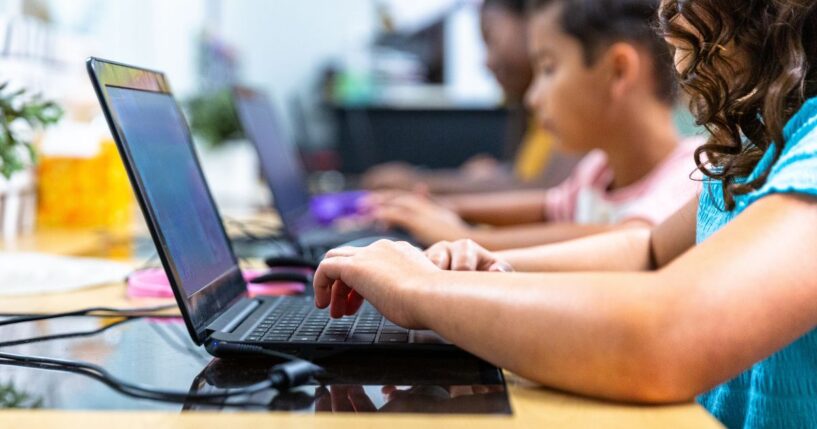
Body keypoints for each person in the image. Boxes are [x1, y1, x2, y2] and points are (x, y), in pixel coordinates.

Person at [313, 0, 817, 427]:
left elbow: (666, 337)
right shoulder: (763, 141)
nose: (669, 12)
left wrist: (420, 292)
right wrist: (483, 272)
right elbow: (646, 250)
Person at [367, 0, 701, 250]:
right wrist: (444, 207)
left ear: (618, 71)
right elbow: (549, 207)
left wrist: (466, 237)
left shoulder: (692, 171)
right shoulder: (598, 170)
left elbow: (632, 241)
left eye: (548, 68)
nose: (533, 97)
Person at [360, 0, 576, 194]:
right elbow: (530, 182)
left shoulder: (572, 106)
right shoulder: (529, 109)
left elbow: (546, 195)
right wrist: (493, 175)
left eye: (490, 38)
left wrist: (419, 185)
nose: (487, 62)